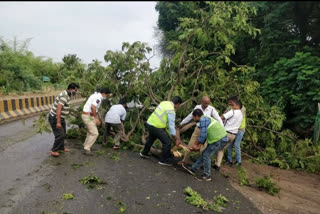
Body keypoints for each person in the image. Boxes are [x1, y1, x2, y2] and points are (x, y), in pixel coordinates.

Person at [182, 109, 228, 181]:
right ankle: (193, 168)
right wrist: (198, 145)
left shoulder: (203, 121)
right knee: (205, 154)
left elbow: (203, 136)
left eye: (194, 118)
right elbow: (205, 136)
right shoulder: (206, 118)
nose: (194, 119)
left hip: (219, 140)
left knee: (206, 155)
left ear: (197, 116)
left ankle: (207, 175)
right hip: (218, 139)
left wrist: (195, 145)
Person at [177, 96, 223, 165]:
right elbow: (190, 116)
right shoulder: (197, 107)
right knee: (190, 144)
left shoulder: (212, 109)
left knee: (203, 148)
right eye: (205, 103)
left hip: (206, 131)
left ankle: (201, 164)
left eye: (208, 103)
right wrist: (182, 123)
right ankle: (185, 160)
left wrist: (222, 128)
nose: (207, 105)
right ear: (202, 102)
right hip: (198, 129)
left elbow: (218, 119)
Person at [139, 96, 183, 166]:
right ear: (177, 104)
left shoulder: (164, 102)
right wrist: (176, 139)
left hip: (150, 123)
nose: (178, 107)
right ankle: (164, 160)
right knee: (167, 142)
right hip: (157, 126)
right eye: (179, 105)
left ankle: (144, 153)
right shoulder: (171, 110)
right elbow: (171, 126)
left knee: (151, 139)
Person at [48, 83, 79, 157]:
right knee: (60, 135)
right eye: (75, 90)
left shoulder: (67, 94)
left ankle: (61, 148)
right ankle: (54, 150)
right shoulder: (64, 96)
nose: (76, 92)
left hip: (61, 118)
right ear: (71, 89)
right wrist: (58, 122)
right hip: (55, 118)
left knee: (64, 133)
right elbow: (59, 109)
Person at [213, 96, 243, 171]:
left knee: (214, 147)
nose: (232, 106)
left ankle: (204, 162)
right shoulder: (241, 114)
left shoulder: (232, 111)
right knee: (221, 149)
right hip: (233, 135)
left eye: (233, 105)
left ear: (237, 105)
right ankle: (217, 165)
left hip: (226, 133)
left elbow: (221, 118)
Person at [82, 88, 112, 155]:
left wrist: (94, 118)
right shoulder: (98, 98)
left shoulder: (95, 95)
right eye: (107, 95)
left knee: (90, 131)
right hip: (88, 116)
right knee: (95, 133)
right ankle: (87, 148)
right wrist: (95, 118)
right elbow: (93, 107)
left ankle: (86, 145)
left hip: (89, 116)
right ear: (104, 94)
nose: (106, 97)